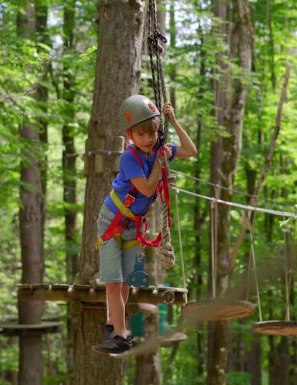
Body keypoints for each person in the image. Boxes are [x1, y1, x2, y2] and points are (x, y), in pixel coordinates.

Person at [92, 94, 197, 354]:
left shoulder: (159, 150)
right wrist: (162, 163)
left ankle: (112, 326)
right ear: (130, 135)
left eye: (152, 132)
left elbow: (191, 150)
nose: (148, 139)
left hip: (132, 224)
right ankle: (120, 335)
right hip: (112, 220)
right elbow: (148, 188)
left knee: (125, 280)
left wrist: (172, 118)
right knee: (113, 282)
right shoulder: (129, 159)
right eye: (141, 134)